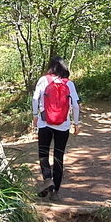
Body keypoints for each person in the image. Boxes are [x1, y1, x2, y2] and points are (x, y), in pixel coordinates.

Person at [32, 56, 80, 198]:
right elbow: (76, 105)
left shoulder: (43, 80)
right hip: (63, 125)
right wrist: (76, 123)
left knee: (43, 153)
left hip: (44, 122)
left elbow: (35, 98)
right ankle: (55, 191)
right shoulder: (69, 83)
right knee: (59, 156)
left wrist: (35, 115)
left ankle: (48, 179)